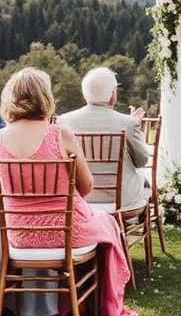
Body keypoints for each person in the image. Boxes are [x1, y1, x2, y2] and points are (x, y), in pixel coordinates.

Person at [0, 67, 137, 316]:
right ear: (44, 96)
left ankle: (77, 301)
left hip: (19, 235)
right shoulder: (61, 134)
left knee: (102, 223)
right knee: (107, 223)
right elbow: (86, 187)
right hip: (66, 233)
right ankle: (91, 302)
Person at [58, 66, 152, 209]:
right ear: (113, 95)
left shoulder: (64, 121)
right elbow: (142, 161)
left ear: (85, 93)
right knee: (145, 182)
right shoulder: (128, 123)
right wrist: (134, 125)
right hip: (121, 200)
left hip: (79, 197)